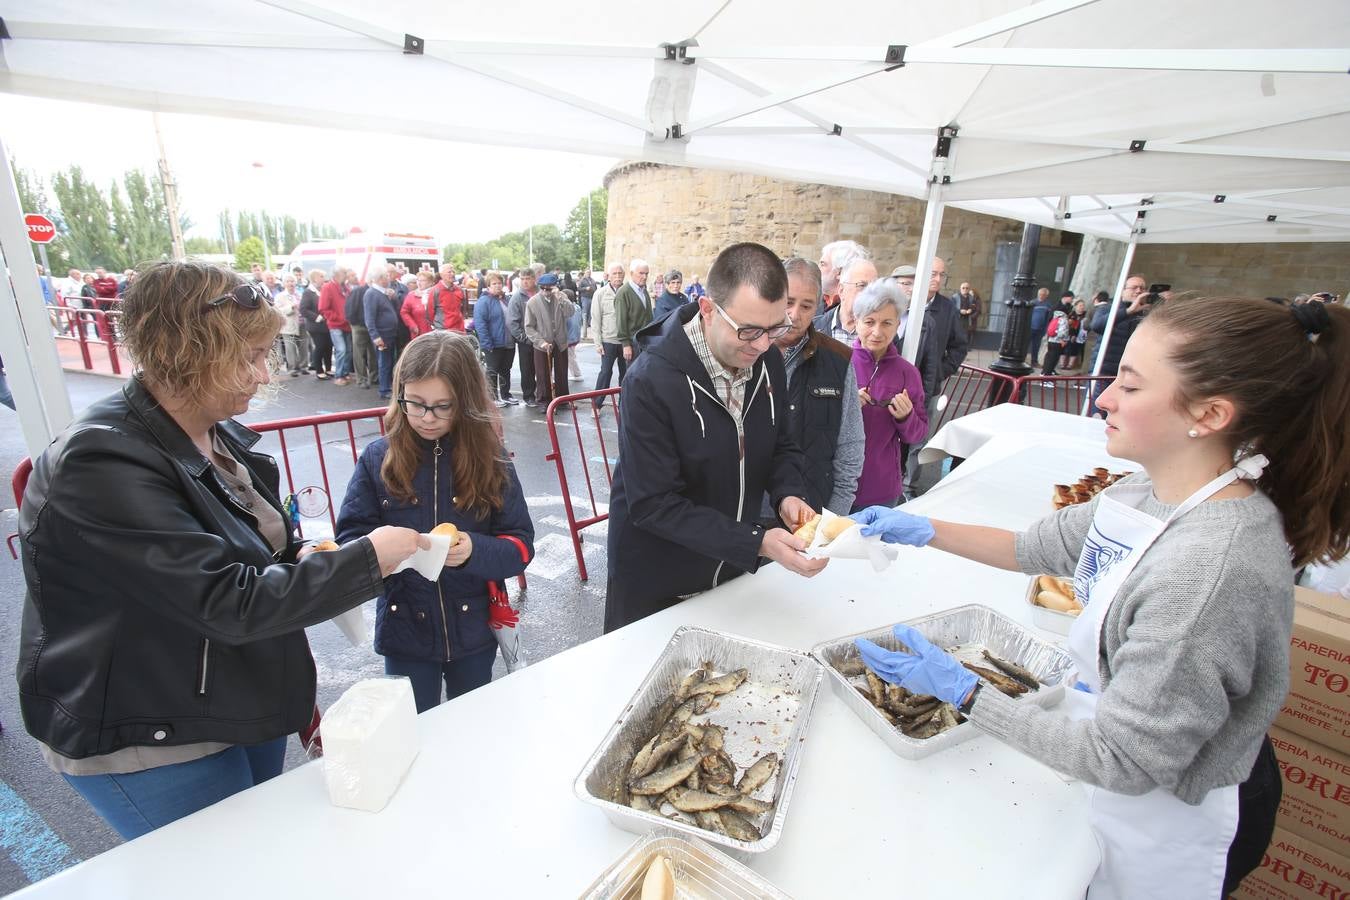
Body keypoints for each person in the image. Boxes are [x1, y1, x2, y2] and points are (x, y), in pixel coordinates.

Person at [851, 295, 1350, 899]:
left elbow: (1126, 761)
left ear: (1210, 414)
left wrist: (966, 691)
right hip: (1131, 746)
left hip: (1177, 806)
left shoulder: (1210, 573)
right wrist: (926, 528)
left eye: (1131, 387)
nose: (1103, 398)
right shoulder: (1151, 489)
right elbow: (1037, 547)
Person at [15, 260, 425, 839]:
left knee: (261, 857)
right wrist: (368, 558)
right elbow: (224, 601)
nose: (263, 374)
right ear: (187, 352)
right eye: (249, 356)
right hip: (149, 730)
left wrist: (303, 560)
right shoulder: (102, 461)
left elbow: (241, 554)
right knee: (224, 874)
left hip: (230, 695)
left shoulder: (212, 429)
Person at [604, 242, 827, 632]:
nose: (762, 345)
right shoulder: (649, 380)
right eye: (749, 330)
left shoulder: (766, 360)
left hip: (728, 570)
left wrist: (789, 494)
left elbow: (782, 446)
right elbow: (653, 505)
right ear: (708, 309)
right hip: (657, 582)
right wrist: (756, 541)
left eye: (775, 328)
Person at [336, 331, 534, 713]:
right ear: (400, 394)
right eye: (416, 403)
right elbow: (350, 539)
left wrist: (475, 550)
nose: (427, 418)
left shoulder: (491, 459)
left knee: (469, 730)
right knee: (412, 736)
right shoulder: (378, 458)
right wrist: (379, 553)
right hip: (404, 631)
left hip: (475, 631)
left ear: (466, 402)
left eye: (443, 406)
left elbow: (521, 545)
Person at [767, 258, 863, 517]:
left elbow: (851, 444)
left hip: (809, 513)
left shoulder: (838, 360)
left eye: (806, 305)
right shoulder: (746, 350)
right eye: (788, 302)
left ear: (819, 306)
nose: (795, 314)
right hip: (745, 512)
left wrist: (835, 514)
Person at [850, 278, 928, 510]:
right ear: (856, 322)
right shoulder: (838, 364)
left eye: (886, 323)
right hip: (836, 483)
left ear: (897, 325)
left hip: (882, 487)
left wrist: (907, 417)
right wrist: (846, 407)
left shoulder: (907, 373)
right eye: (869, 322)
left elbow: (917, 435)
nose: (877, 331)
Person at [901, 256, 968, 499]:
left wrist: (941, 370)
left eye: (941, 274)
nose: (938, 279)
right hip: (896, 385)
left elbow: (959, 346)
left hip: (927, 386)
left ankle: (908, 487)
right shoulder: (899, 304)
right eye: (933, 273)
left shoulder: (947, 309)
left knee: (917, 439)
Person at [1088, 274, 1150, 416]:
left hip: (1128, 374)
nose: (1139, 291)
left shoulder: (1145, 314)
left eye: (1142, 288)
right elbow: (1097, 325)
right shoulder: (1108, 308)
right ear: (1122, 290)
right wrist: (1128, 312)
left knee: (1120, 414)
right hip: (1104, 371)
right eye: (1134, 287)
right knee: (1097, 412)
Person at [524, 273, 576, 407]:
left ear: (555, 287)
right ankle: (543, 401)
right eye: (543, 288)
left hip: (560, 342)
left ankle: (563, 400)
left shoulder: (561, 297)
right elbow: (529, 327)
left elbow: (570, 312)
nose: (545, 291)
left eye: (549, 289)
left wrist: (560, 297)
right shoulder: (532, 302)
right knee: (543, 374)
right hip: (542, 344)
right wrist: (540, 341)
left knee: (561, 373)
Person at [474, 273, 516, 407]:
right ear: (488, 286)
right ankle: (492, 397)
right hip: (493, 343)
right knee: (492, 370)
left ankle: (506, 394)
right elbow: (480, 324)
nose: (497, 286)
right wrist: (486, 343)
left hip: (508, 342)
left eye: (499, 283)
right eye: (494, 283)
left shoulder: (506, 299)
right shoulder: (483, 301)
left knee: (506, 369)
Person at [813, 257, 877, 345]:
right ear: (841, 290)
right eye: (862, 286)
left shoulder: (884, 335)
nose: (870, 293)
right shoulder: (813, 328)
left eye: (874, 287)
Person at [591, 261, 626, 408]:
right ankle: (596, 405)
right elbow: (596, 318)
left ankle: (623, 405)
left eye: (620, 273)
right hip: (608, 341)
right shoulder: (600, 293)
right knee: (605, 373)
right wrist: (597, 343)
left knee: (626, 376)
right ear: (609, 276)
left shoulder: (628, 292)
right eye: (614, 274)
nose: (617, 276)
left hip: (626, 342)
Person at [363, 271, 400, 400]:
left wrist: (393, 298)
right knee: (384, 362)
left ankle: (387, 387)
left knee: (389, 361)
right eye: (386, 276)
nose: (388, 278)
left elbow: (394, 309)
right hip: (383, 334)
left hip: (390, 332)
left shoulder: (383, 292)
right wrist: (375, 336)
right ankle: (384, 389)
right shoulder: (372, 294)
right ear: (379, 278)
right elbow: (369, 318)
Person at [506, 269, 538, 406]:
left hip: (541, 339)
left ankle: (543, 394)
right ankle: (529, 396)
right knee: (527, 369)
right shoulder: (517, 297)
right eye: (523, 278)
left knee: (542, 369)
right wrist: (523, 338)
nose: (525, 281)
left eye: (528, 278)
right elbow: (512, 322)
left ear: (534, 279)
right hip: (526, 341)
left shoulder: (539, 293)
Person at [613, 258, 652, 363]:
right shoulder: (623, 293)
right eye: (641, 273)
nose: (644, 277)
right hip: (633, 344)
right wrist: (626, 345)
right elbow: (621, 321)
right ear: (631, 273)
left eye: (646, 274)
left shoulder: (644, 291)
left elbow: (648, 316)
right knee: (633, 376)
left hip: (646, 342)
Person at [320, 267, 353, 385]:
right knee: (341, 350)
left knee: (348, 351)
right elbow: (323, 308)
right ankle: (339, 375)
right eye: (344, 273)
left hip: (347, 325)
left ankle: (344, 373)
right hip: (335, 325)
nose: (346, 275)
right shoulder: (328, 287)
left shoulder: (346, 287)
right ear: (337, 275)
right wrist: (338, 318)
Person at [299, 269, 332, 380]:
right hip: (315, 326)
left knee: (329, 346)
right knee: (320, 347)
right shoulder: (308, 292)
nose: (324, 278)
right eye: (321, 276)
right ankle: (319, 370)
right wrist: (317, 317)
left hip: (326, 324)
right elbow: (303, 309)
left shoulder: (323, 290)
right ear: (314, 279)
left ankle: (328, 369)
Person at [817, 240, 869, 311]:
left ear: (840, 272)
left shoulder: (857, 308)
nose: (818, 268)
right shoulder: (816, 299)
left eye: (823, 264)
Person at [346, 271, 376, 390]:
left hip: (367, 325)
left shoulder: (360, 291)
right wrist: (355, 323)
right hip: (360, 326)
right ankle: (363, 378)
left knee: (370, 353)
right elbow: (349, 310)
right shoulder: (359, 291)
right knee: (361, 353)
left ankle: (370, 377)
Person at [273, 274, 304, 376]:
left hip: (302, 323)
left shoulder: (300, 294)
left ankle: (303, 366)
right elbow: (278, 310)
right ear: (284, 283)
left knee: (303, 345)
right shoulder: (280, 296)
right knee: (290, 347)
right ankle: (292, 368)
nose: (291, 283)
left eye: (292, 281)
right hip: (288, 325)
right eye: (288, 281)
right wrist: (291, 307)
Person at [401, 270, 436, 341]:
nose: (419, 283)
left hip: (436, 332)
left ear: (431, 282)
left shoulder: (436, 294)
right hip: (419, 332)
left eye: (423, 280)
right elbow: (404, 312)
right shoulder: (411, 295)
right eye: (418, 280)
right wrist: (412, 325)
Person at [431, 264, 466, 333]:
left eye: (453, 272)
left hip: (459, 329)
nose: (452, 274)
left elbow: (463, 309)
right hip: (443, 331)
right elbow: (430, 313)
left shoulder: (459, 289)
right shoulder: (435, 291)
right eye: (449, 272)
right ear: (441, 275)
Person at [1027, 287, 1055, 366]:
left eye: (1043, 295)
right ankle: (1022, 359)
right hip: (1030, 327)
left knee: (1036, 345)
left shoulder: (1048, 305)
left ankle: (1034, 361)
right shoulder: (1033, 303)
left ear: (1046, 296)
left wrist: (1046, 328)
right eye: (1040, 294)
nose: (1041, 296)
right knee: (1025, 344)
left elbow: (1049, 317)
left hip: (1041, 328)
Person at [577, 268, 597, 335]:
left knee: (591, 312)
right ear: (585, 273)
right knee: (585, 312)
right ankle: (584, 325)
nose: (589, 273)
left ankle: (589, 324)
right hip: (585, 298)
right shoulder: (582, 280)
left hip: (592, 297)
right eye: (587, 272)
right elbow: (579, 289)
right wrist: (585, 288)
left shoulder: (592, 280)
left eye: (589, 272)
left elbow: (595, 287)